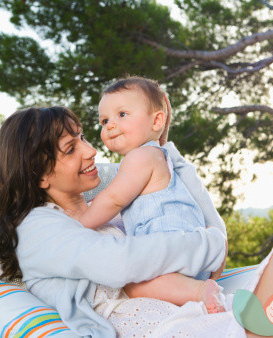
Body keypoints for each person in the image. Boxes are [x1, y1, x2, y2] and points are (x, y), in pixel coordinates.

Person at [0, 105, 273, 337]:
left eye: (83, 136)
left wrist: (160, 145)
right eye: (70, 146)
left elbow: (177, 180)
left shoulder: (101, 196)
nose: (92, 150)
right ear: (40, 173)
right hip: (180, 328)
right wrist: (209, 244)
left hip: (212, 312)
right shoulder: (38, 228)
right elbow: (121, 264)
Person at [66, 77, 225, 314]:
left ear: (157, 120)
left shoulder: (140, 157)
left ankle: (200, 292)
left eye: (122, 114)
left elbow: (113, 200)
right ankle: (197, 289)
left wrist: (78, 224)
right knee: (143, 286)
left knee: (133, 286)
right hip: (190, 256)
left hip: (170, 246)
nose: (110, 125)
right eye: (104, 120)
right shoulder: (159, 156)